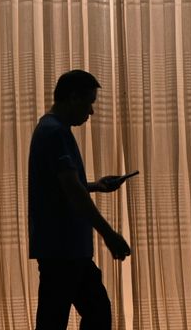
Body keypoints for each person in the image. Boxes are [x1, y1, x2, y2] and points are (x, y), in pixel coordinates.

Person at [27, 69, 132, 330]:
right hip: (64, 249)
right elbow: (72, 192)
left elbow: (62, 187)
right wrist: (109, 234)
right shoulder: (56, 133)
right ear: (73, 98)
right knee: (87, 314)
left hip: (64, 249)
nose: (91, 112)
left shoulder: (51, 129)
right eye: (89, 103)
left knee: (88, 312)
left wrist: (96, 185)